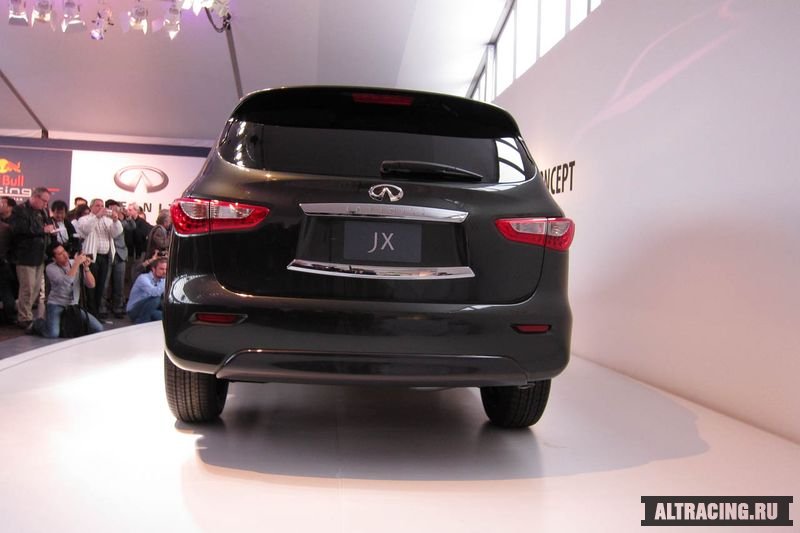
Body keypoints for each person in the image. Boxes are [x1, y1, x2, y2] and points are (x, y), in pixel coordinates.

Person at [31, 244, 103, 338]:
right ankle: (37, 323)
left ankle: (61, 325)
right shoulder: (50, 268)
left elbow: (91, 285)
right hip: (56, 304)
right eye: (60, 254)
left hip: (73, 306)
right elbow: (65, 283)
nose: (65, 255)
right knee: (52, 334)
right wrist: (76, 264)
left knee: (98, 328)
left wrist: (86, 268)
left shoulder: (74, 263)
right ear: (54, 259)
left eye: (64, 251)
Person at [9, 187, 53, 329]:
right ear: (35, 197)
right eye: (44, 201)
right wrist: (42, 230)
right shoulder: (20, 210)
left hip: (39, 254)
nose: (45, 204)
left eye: (47, 202)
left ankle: (21, 310)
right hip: (25, 255)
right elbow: (18, 229)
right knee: (27, 288)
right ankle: (24, 317)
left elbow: (46, 227)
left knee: (35, 289)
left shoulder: (43, 211)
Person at [75, 198, 123, 317]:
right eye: (97, 205)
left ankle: (96, 313)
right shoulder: (84, 219)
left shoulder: (107, 220)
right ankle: (89, 314)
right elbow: (86, 230)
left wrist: (116, 220)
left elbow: (116, 233)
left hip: (105, 257)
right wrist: (97, 217)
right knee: (90, 287)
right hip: (91, 258)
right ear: (91, 207)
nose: (101, 208)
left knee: (101, 287)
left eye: (102, 205)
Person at [126, 256, 166, 324]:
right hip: (134, 310)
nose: (164, 272)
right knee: (156, 298)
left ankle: (144, 320)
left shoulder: (162, 280)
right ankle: (142, 322)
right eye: (161, 269)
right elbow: (154, 292)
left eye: (166, 269)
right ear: (153, 269)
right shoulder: (143, 278)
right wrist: (166, 280)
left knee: (162, 317)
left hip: (150, 309)